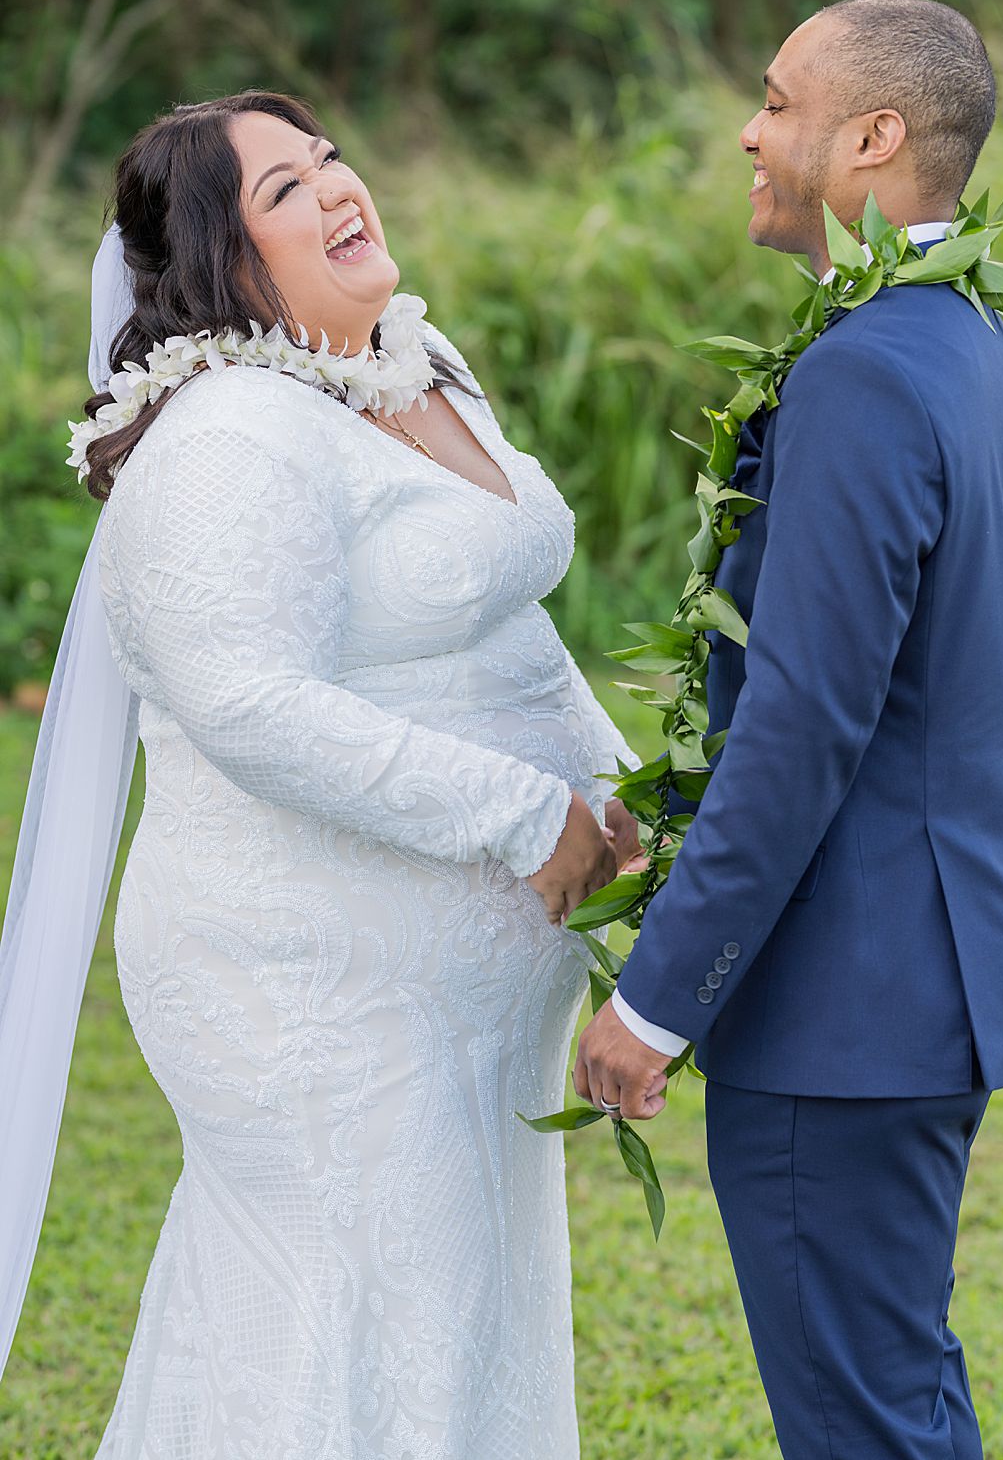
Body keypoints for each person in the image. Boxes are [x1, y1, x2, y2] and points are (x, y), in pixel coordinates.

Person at [0, 88, 645, 1459]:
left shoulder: (415, 361)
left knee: (453, 1314)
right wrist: (527, 814)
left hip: (457, 998)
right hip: (307, 989)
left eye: (330, 160)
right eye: (286, 191)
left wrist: (626, 790)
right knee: (328, 1325)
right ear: (225, 262)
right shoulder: (229, 437)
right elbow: (245, 700)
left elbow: (499, 631)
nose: (340, 190)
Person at [575, 0, 1003, 1459]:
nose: (750, 126)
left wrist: (658, 998)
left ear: (871, 138)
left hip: (847, 1006)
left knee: (863, 1421)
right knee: (899, 1390)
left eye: (778, 101)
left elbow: (802, 728)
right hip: (940, 970)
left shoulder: (864, 369)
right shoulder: (962, 339)